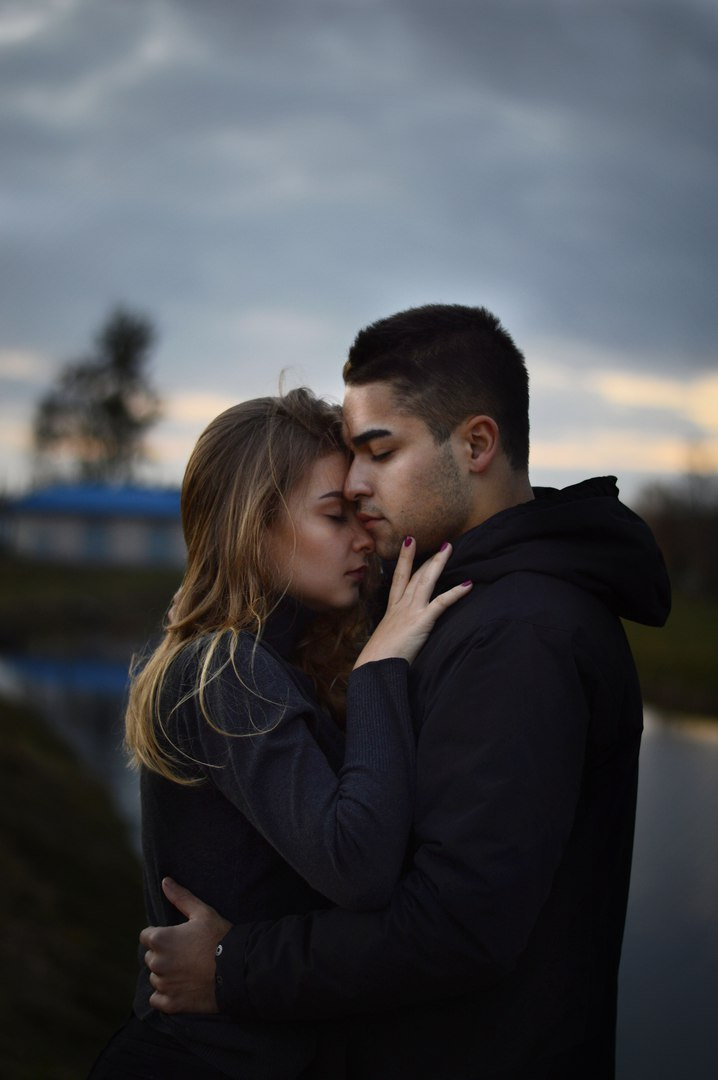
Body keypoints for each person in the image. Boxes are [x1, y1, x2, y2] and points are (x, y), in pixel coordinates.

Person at [140, 305, 672, 1079]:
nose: (357, 485)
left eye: (378, 452)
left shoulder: (521, 631)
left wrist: (233, 967)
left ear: (477, 444)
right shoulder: (432, 604)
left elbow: (453, 923)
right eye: (340, 486)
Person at [87, 387, 471, 1079]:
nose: (362, 537)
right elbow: (356, 867)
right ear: (253, 525)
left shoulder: (275, 665)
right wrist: (384, 663)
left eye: (361, 514)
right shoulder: (222, 671)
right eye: (334, 516)